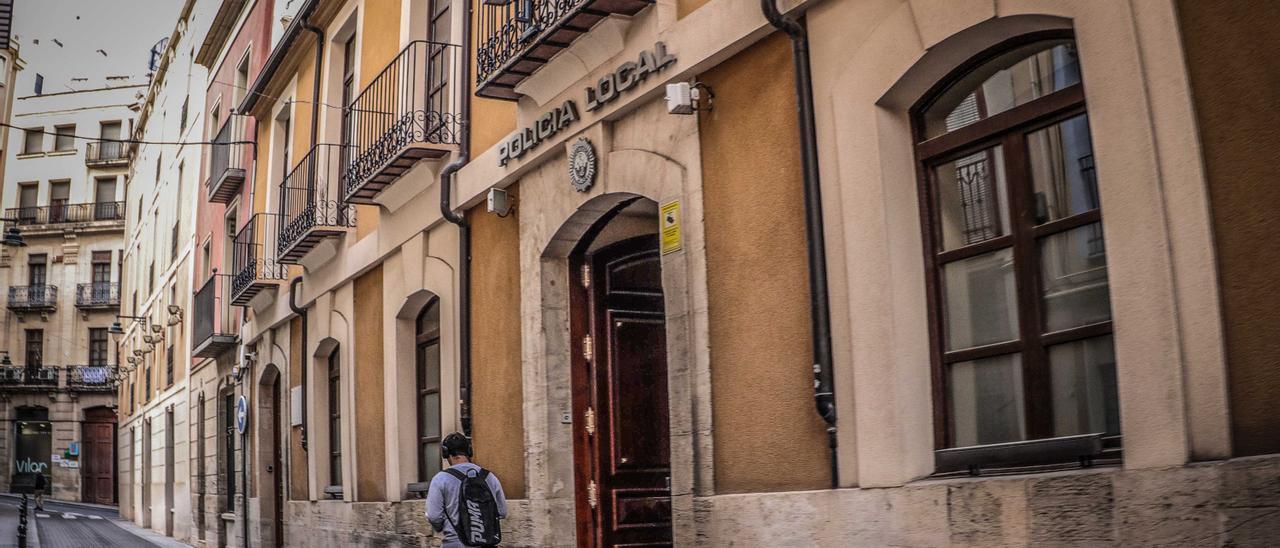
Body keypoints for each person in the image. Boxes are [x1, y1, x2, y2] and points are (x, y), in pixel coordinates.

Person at [426, 433, 508, 547]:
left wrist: (441, 527)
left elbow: (433, 516)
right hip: (486, 544)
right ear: (469, 451)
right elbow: (502, 512)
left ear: (445, 453)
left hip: (455, 543)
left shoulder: (440, 479)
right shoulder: (489, 477)